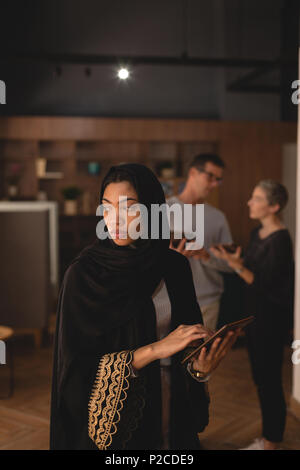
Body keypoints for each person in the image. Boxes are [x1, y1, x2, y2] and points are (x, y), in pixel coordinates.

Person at [50, 163, 239, 450]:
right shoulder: (85, 274)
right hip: (122, 421)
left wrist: (201, 368)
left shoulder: (174, 266)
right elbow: (75, 369)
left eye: (128, 207)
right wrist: (154, 350)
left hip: (172, 408)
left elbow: (188, 344)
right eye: (107, 208)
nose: (115, 219)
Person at [210, 179, 294, 450]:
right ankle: (268, 436)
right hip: (256, 317)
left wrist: (234, 265)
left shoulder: (281, 239)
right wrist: (227, 260)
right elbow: (250, 268)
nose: (250, 202)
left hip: (271, 319)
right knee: (261, 378)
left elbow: (261, 281)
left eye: (257, 198)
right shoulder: (259, 233)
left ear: (274, 206)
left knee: (269, 379)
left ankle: (272, 440)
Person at [166, 153, 233, 331]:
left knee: (201, 358)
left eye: (218, 179)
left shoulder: (218, 218)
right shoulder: (164, 210)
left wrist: (206, 256)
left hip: (207, 302)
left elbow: (230, 264)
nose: (214, 184)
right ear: (193, 172)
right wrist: (173, 257)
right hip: (168, 298)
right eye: (210, 176)